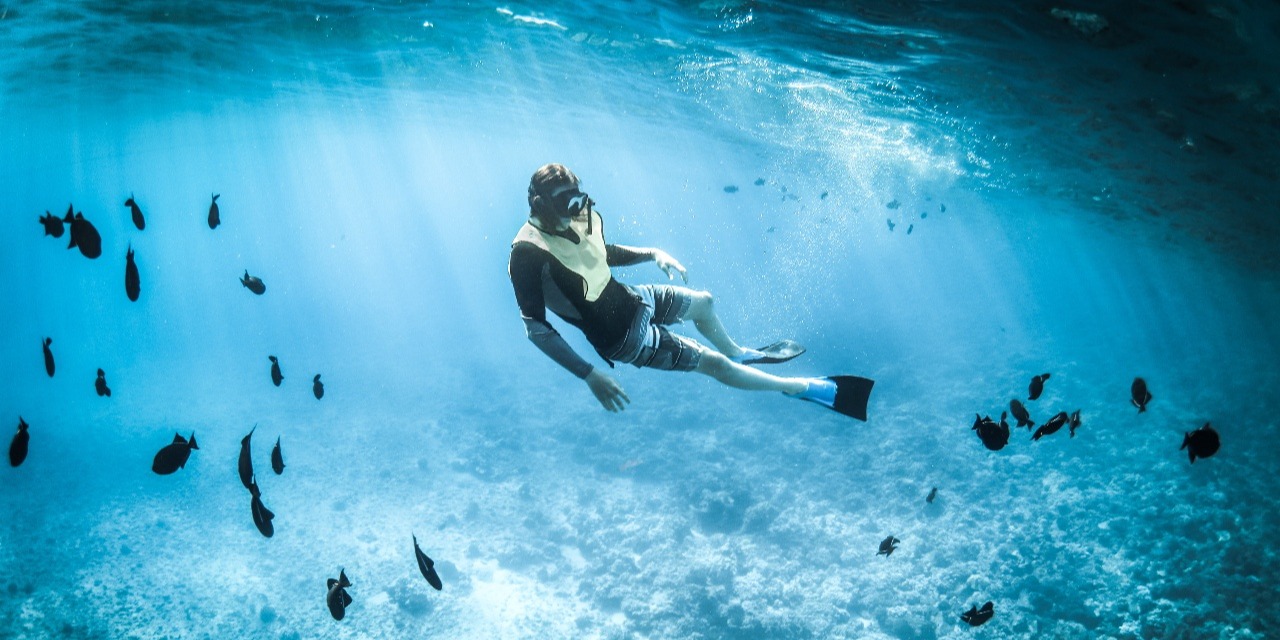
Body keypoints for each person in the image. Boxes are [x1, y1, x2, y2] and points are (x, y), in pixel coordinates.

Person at [508, 163, 872, 419]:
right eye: (564, 204)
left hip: (632, 298)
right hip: (621, 337)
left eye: (577, 200)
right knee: (714, 365)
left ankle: (740, 353)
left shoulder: (575, 216)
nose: (575, 211)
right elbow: (536, 329)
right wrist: (588, 374)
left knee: (704, 302)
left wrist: (653, 253)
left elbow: (600, 253)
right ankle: (797, 387)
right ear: (540, 205)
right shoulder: (527, 253)